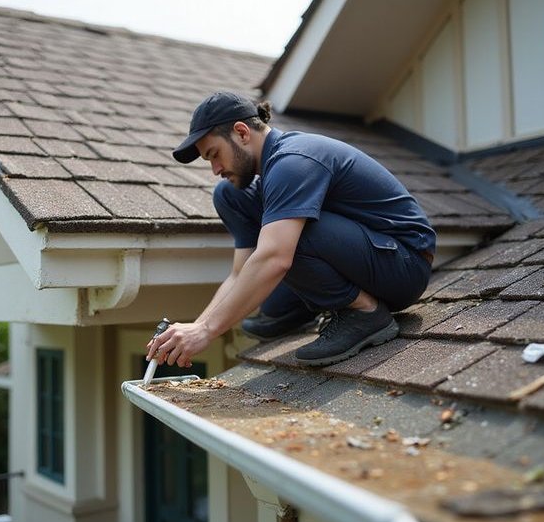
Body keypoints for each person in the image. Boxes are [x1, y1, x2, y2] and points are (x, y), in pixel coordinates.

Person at [146, 91, 435, 368]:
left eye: (214, 154)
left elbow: (274, 257)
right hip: (369, 253)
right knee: (231, 197)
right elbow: (240, 272)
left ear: (242, 133)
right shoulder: (270, 171)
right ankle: (315, 304)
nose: (215, 169)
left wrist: (208, 331)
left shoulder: (292, 161)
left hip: (404, 264)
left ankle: (364, 312)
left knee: (284, 238)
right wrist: (198, 326)